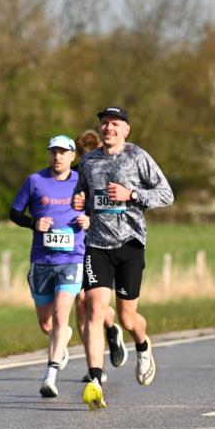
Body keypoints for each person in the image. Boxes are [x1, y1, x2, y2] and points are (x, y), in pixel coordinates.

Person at [73, 107, 174, 409]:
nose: (108, 128)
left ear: (126, 130)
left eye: (115, 124)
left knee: (128, 318)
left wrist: (132, 195)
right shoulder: (88, 161)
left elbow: (167, 194)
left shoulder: (138, 157)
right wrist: (79, 201)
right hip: (97, 245)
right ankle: (94, 378)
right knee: (94, 309)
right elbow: (83, 197)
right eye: (104, 123)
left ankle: (142, 346)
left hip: (130, 243)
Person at [10, 135, 91, 398]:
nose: (57, 157)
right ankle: (62, 338)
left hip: (71, 258)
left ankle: (50, 374)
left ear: (72, 156)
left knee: (60, 314)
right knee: (47, 324)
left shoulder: (82, 182)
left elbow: (94, 212)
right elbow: (14, 213)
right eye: (53, 152)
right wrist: (33, 224)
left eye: (63, 152)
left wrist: (87, 220)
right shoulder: (35, 181)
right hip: (42, 260)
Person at [74, 129, 125, 383]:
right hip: (75, 249)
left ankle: (112, 328)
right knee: (82, 306)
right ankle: (94, 367)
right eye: (83, 159)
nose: (87, 164)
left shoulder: (111, 174)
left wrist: (90, 220)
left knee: (95, 306)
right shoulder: (75, 176)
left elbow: (111, 212)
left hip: (101, 247)